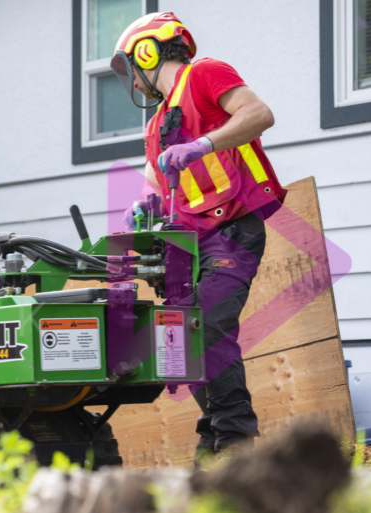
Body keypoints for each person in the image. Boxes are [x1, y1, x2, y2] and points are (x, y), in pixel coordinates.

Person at [111, 12, 287, 464]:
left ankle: (236, 447)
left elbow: (259, 113)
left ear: (146, 53)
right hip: (188, 248)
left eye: (132, 67)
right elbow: (156, 180)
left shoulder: (206, 73)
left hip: (232, 231)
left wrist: (204, 144)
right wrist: (144, 205)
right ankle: (214, 443)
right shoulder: (156, 127)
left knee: (206, 328)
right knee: (179, 342)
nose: (134, 80)